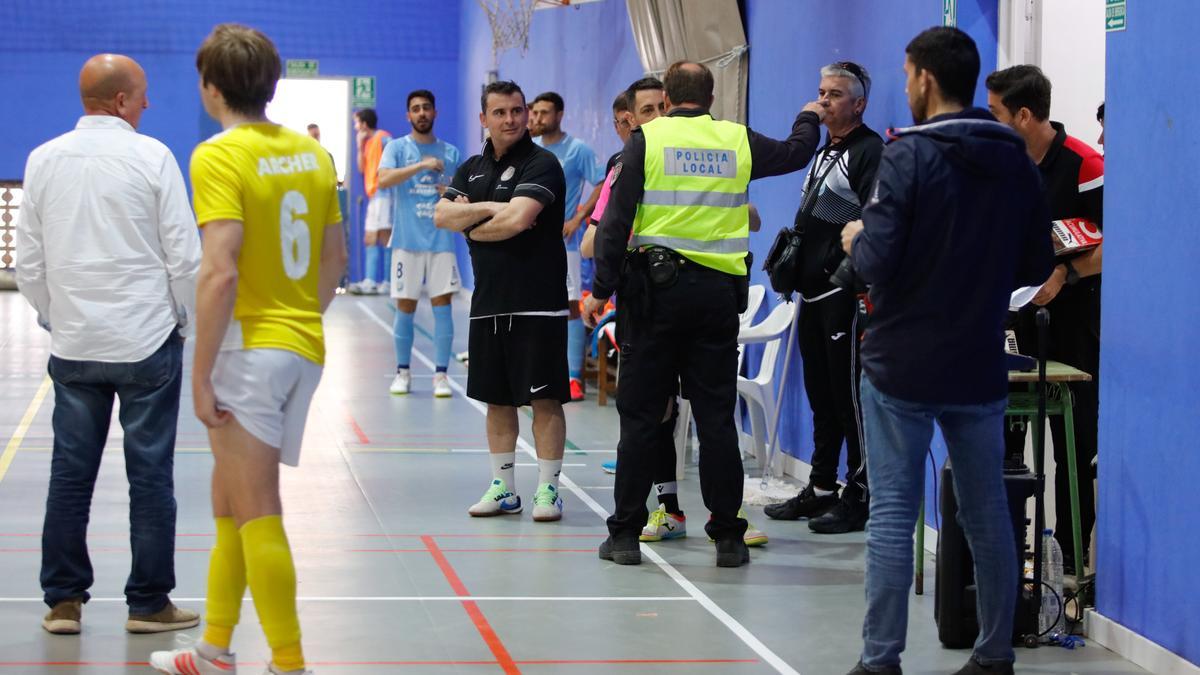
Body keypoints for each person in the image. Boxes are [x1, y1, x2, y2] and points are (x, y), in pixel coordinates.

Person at [839, 28, 1053, 675]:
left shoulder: (906, 158)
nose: (905, 87)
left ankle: (881, 660)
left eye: (906, 75)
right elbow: (1037, 261)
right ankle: (995, 653)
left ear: (925, 79)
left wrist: (853, 236)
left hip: (902, 362)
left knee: (894, 514)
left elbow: (874, 260)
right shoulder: (1015, 161)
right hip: (979, 362)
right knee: (987, 511)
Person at [148, 23, 345, 675]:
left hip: (248, 352)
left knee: (258, 509)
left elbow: (219, 269)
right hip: (301, 346)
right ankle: (213, 649)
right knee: (229, 501)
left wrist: (200, 372)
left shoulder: (216, 155)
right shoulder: (313, 155)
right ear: (273, 84)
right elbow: (334, 259)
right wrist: (298, 325)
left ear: (209, 88)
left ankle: (288, 661)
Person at [584, 60, 825, 567]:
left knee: (642, 419)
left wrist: (600, 291)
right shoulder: (736, 139)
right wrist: (809, 115)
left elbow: (614, 225)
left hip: (653, 299)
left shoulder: (646, 141)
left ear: (667, 99)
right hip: (716, 301)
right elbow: (798, 152)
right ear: (712, 98)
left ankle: (625, 535)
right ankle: (729, 537)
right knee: (716, 420)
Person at [16, 53, 202, 637]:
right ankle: (148, 603)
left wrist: (56, 318)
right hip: (147, 343)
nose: (148, 104)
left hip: (75, 347)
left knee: (70, 474)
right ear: (121, 101)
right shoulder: (153, 157)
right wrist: (183, 322)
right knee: (151, 475)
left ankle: (63, 602)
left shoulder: (42, 160)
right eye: (141, 94)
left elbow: (28, 262)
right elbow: (184, 257)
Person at [986, 65, 1104, 574]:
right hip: (1012, 327)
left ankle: (1072, 569)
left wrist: (1066, 277)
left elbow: (1118, 244)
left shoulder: (1085, 163)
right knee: (1006, 446)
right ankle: (1010, 561)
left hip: (1075, 331)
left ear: (1025, 115)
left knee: (1071, 451)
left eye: (995, 113)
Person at [434, 80, 570, 523]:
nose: (511, 119)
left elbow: (518, 221)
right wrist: (492, 211)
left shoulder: (543, 163)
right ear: (483, 118)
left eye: (517, 111)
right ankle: (505, 488)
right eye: (500, 112)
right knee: (497, 400)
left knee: (545, 400)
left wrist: (471, 220)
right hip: (489, 301)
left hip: (539, 302)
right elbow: (442, 215)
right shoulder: (470, 167)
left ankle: (548, 489)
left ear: (527, 113)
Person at [765, 62, 883, 535]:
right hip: (810, 294)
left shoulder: (869, 150)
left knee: (848, 397)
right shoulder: (821, 152)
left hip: (843, 295)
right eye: (820, 92)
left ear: (858, 104)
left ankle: (859, 494)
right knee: (821, 395)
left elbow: (874, 222)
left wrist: (845, 278)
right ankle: (820, 485)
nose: (824, 101)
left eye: (835, 94)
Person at [377, 89, 462, 397]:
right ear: (408, 115)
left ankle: (441, 376)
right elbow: (383, 179)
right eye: (416, 109)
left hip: (441, 241)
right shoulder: (397, 148)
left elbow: (464, 195)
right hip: (407, 241)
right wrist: (422, 166)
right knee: (405, 307)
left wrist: (449, 190)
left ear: (435, 113)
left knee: (443, 306)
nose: (422, 113)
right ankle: (403, 373)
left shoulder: (451, 153)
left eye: (427, 108)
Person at [530, 91, 606, 401]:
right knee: (532, 308)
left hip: (567, 244)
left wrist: (578, 218)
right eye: (535, 113)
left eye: (544, 113)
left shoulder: (578, 150)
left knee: (571, 307)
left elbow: (602, 184)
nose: (538, 119)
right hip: (531, 245)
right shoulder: (529, 150)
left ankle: (573, 377)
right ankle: (537, 373)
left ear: (559, 115)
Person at [348, 108, 392, 294]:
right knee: (370, 237)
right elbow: (361, 168)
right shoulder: (366, 143)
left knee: (385, 236)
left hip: (386, 193)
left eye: (357, 123)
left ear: (364, 124)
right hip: (373, 195)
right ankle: (370, 280)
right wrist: (359, 145)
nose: (356, 127)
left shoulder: (384, 138)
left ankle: (389, 282)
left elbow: (396, 159)